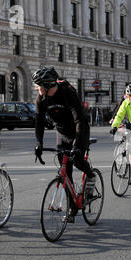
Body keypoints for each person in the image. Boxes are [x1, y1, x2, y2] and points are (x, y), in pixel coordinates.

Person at [32, 66, 95, 223]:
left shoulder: (67, 93)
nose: (36, 89)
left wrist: (78, 145)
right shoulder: (41, 99)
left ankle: (91, 175)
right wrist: (39, 143)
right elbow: (39, 122)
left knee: (78, 161)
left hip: (79, 130)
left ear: (46, 86)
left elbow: (79, 120)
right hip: (61, 132)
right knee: (65, 172)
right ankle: (72, 206)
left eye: (38, 86)